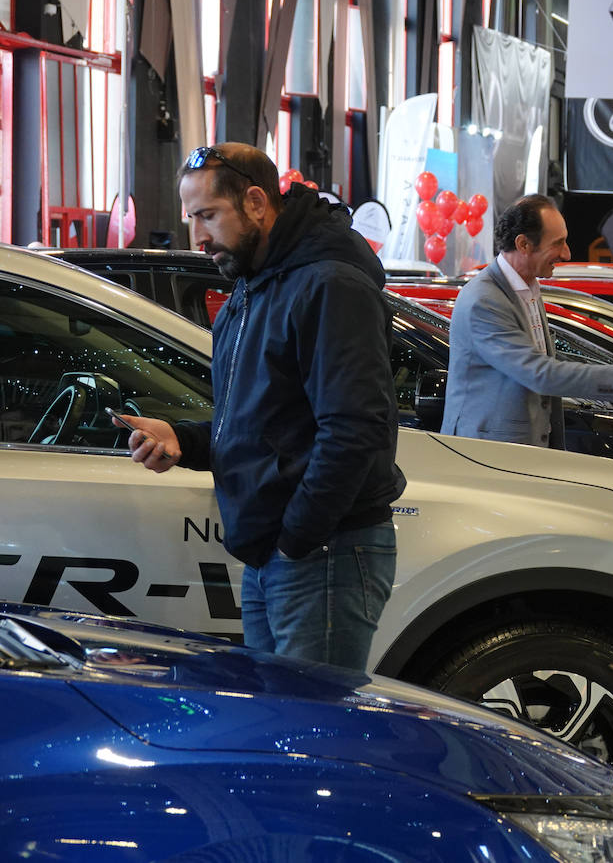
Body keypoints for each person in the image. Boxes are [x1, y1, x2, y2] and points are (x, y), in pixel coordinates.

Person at [118, 142, 406, 671]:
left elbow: (353, 430)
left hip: (321, 554)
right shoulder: (256, 286)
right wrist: (187, 439)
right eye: (191, 218)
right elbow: (264, 419)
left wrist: (296, 538)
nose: (198, 237)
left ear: (255, 202)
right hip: (277, 552)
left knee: (310, 736)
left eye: (208, 215)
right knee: (279, 722)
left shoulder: (327, 283)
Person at [443, 194, 613, 446]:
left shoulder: (527, 288)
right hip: (488, 455)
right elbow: (541, 373)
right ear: (524, 244)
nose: (567, 253)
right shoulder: (484, 300)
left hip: (521, 453)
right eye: (558, 243)